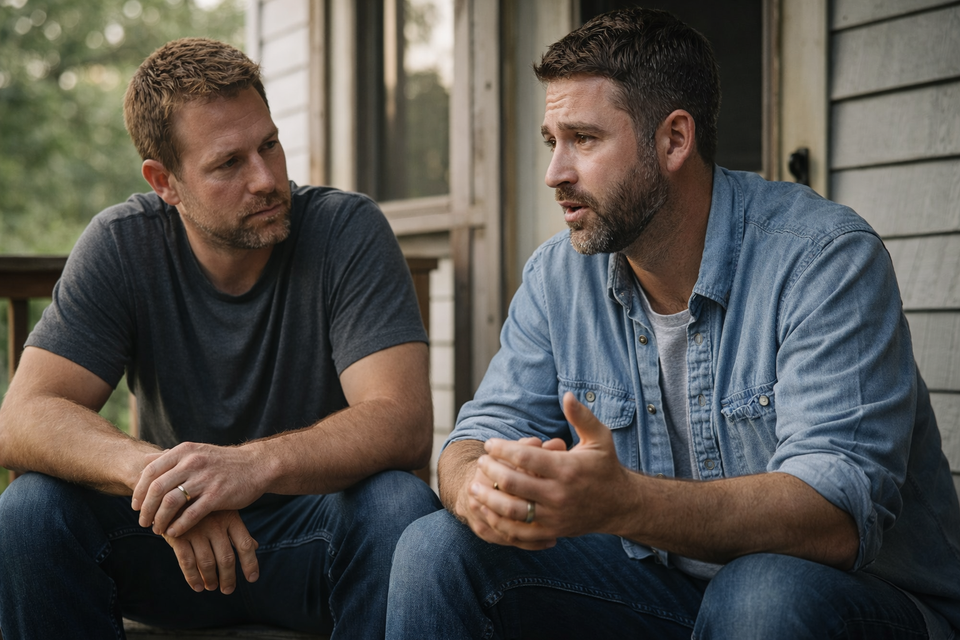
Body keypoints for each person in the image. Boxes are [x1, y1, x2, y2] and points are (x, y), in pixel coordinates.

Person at [386, 8, 960, 639]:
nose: (556, 174)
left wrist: (624, 502)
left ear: (674, 140)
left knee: (759, 593)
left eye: (584, 139)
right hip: (662, 592)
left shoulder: (824, 258)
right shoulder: (559, 275)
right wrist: (477, 486)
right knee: (437, 548)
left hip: (855, 602)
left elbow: (835, 514)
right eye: (553, 142)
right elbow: (481, 432)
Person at [0, 38, 441, 639]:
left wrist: (252, 466)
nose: (266, 179)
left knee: (400, 507)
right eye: (228, 163)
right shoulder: (121, 245)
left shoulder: (347, 230)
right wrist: (167, 483)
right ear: (165, 182)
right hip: (176, 550)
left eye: (270, 145)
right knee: (30, 512)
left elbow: (403, 420)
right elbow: (22, 417)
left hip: (314, 539)